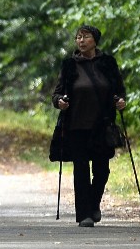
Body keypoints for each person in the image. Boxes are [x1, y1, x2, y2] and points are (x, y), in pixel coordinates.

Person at [51, 24, 127, 228]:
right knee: (81, 170)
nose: (81, 41)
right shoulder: (69, 65)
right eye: (78, 37)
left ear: (95, 40)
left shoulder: (108, 63)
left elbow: (119, 91)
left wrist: (120, 101)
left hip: (102, 126)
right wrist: (60, 102)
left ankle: (94, 204)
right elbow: (56, 94)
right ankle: (84, 214)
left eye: (85, 37)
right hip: (76, 125)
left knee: (102, 171)